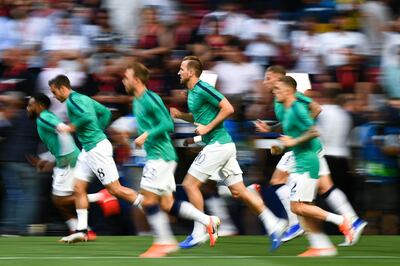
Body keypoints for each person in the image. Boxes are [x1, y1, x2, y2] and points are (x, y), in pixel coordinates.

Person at [170, 56, 287, 251]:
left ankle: (200, 231)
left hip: (218, 145)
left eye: (182, 69)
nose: (178, 72)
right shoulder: (191, 93)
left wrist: (207, 128)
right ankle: (274, 224)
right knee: (239, 191)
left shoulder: (204, 88)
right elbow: (200, 117)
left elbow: (228, 108)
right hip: (222, 146)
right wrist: (181, 115)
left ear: (191, 72)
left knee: (190, 185)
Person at [254, 66, 367, 246]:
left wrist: (301, 132)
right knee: (324, 187)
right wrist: (271, 128)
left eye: (268, 78)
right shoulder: (279, 99)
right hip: (304, 147)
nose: (265, 81)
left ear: (279, 78)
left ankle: (299, 225)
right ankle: (352, 221)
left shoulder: (293, 96)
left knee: (279, 182)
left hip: (306, 148)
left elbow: (315, 108)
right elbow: (287, 122)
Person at [122, 61, 220, 258]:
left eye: (126, 76)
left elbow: (167, 123)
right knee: (166, 204)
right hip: (159, 156)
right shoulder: (137, 100)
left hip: (160, 156)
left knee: (148, 199)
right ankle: (207, 220)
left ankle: (163, 242)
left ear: (136, 79)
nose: (123, 80)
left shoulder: (150, 98)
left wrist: (146, 135)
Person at [48, 75, 143, 243]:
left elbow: (87, 118)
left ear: (63, 88)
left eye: (55, 92)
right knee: (78, 188)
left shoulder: (72, 101)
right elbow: (105, 112)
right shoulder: (83, 98)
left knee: (116, 189)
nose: (54, 96)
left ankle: (152, 207)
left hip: (96, 149)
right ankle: (82, 230)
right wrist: (97, 130)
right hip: (89, 149)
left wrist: (73, 127)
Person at [271, 76, 353, 257]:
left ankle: (341, 221)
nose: (273, 91)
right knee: (299, 207)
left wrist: (293, 141)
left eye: (276, 88)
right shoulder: (286, 108)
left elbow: (314, 131)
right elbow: (295, 132)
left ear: (287, 91)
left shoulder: (297, 108)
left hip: (307, 162)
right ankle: (323, 245)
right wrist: (284, 144)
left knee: (300, 206)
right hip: (301, 159)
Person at [26, 93, 120, 241]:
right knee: (59, 201)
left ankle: (101, 197)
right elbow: (57, 141)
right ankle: (83, 230)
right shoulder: (45, 117)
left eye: (30, 105)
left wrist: (66, 158)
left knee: (61, 200)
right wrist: (47, 158)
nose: (28, 108)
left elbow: (64, 130)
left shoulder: (45, 117)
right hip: (66, 161)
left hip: (68, 163)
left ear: (40, 105)